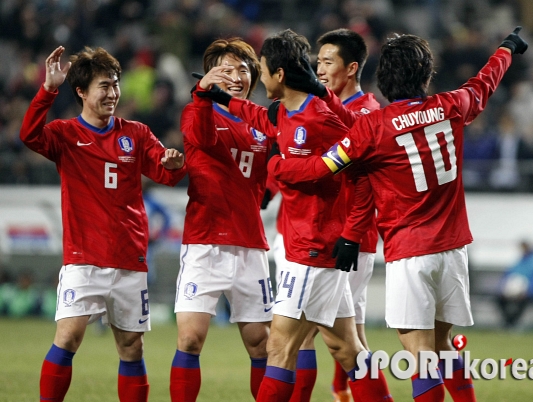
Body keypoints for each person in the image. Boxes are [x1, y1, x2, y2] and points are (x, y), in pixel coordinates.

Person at [267, 27, 528, 402]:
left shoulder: (374, 127)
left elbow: (326, 166)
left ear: (383, 77)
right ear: (425, 75)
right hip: (454, 250)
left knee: (421, 359)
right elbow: (484, 82)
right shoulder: (452, 105)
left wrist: (276, 166)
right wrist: (505, 48)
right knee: (444, 349)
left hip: (410, 252)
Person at [201, 28, 392, 402]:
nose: (259, 78)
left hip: (315, 249)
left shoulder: (321, 119)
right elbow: (259, 116)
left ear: (279, 74)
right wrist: (222, 98)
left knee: (280, 348)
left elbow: (360, 169)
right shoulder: (288, 111)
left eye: (262, 69)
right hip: (311, 246)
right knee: (348, 350)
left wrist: (278, 168)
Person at [20, 45, 187, 402]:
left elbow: (165, 172)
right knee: (67, 338)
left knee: (131, 347)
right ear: (81, 91)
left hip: (129, 257)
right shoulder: (65, 135)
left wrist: (173, 165)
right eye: (104, 86)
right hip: (84, 259)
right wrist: (48, 89)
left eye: (115, 84)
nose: (112, 93)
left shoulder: (137, 133)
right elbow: (30, 135)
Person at [270, 28, 384, 402]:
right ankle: (344, 392)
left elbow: (344, 166)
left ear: (351, 68)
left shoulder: (361, 112)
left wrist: (279, 170)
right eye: (315, 62)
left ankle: (340, 392)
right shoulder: (316, 106)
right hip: (311, 232)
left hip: (343, 238)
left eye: (327, 62)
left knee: (294, 341)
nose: (318, 70)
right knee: (340, 344)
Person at [171, 38, 273, 401]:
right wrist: (201, 95)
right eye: (225, 70)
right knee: (190, 338)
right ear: (210, 76)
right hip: (205, 241)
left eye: (242, 71)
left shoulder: (262, 124)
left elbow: (276, 169)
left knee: (261, 344)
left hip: (250, 244)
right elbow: (199, 137)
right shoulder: (197, 112)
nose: (235, 77)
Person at [496, 240, 533, 328]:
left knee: (523, 303)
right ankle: (508, 322)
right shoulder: (516, 264)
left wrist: (527, 292)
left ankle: (512, 324)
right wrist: (502, 290)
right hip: (511, 293)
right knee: (498, 299)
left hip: (527, 295)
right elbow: (506, 277)